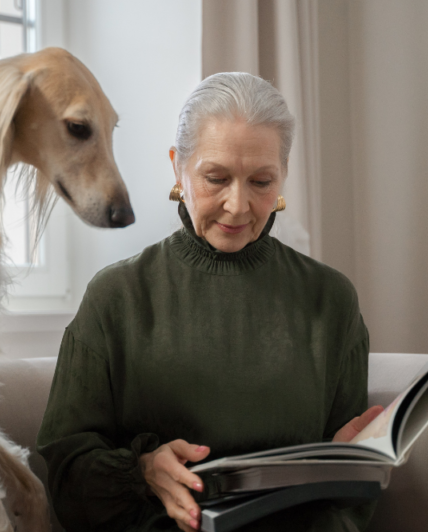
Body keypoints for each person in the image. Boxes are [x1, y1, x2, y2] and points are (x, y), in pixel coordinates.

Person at [36, 73, 382, 532]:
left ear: (284, 174)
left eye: (261, 181)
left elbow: (352, 507)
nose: (238, 205)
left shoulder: (331, 301)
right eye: (216, 178)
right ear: (178, 168)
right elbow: (65, 478)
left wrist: (344, 467)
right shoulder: (117, 298)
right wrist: (140, 472)